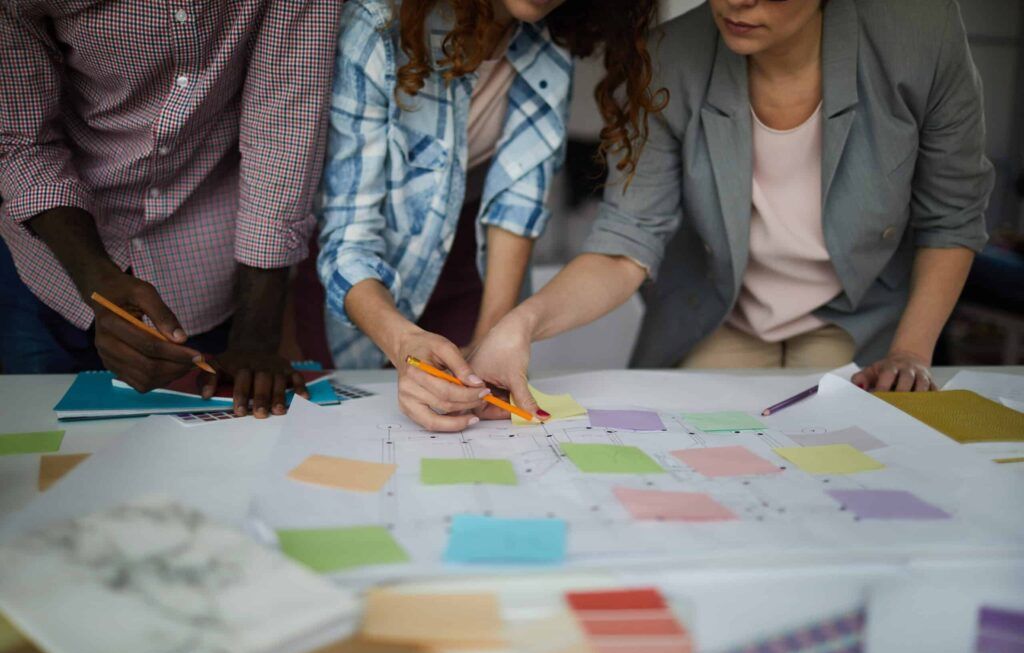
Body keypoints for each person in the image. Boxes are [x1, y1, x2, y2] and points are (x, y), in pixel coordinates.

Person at [466, 0, 995, 417]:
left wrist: (910, 351)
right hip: (717, 316)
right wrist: (521, 324)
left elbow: (951, 214)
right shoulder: (668, 57)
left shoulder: (919, 34)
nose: (738, 3)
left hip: (863, 319)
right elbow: (626, 244)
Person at [318, 0, 667, 430]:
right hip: (359, 287)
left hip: (471, 263)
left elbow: (519, 204)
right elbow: (347, 237)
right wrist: (402, 340)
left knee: (478, 423)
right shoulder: (377, 23)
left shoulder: (548, 35)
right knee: (361, 430)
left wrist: (490, 340)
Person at [0, 1, 342, 418]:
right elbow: (19, 139)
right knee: (43, 457)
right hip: (46, 268)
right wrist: (97, 279)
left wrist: (255, 340)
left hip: (210, 265)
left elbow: (284, 130)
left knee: (204, 466)